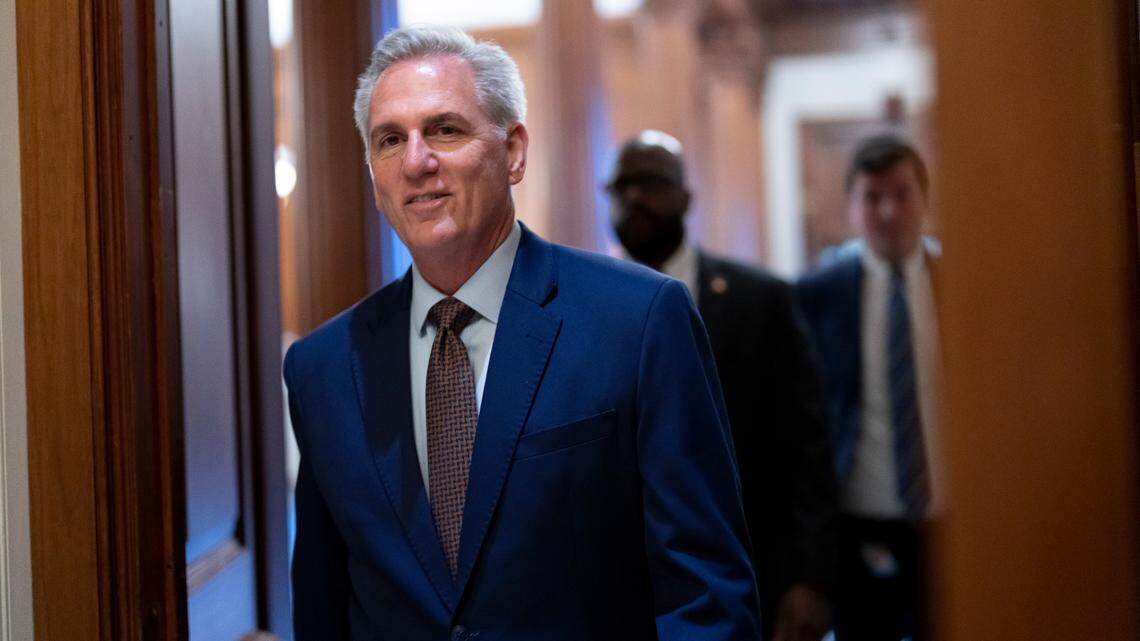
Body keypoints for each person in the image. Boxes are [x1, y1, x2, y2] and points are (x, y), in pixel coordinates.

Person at [284, 26, 762, 641]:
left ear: (512, 152)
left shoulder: (639, 321)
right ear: (375, 178)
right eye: (389, 140)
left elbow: (707, 596)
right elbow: (323, 609)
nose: (416, 161)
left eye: (445, 129)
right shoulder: (322, 368)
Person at [607, 131, 838, 641]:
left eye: (651, 182)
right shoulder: (585, 309)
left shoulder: (762, 301)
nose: (634, 198)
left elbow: (808, 449)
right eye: (621, 186)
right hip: (626, 590)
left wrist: (811, 577)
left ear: (687, 197)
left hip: (753, 576)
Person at [796, 134, 941, 641]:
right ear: (852, 208)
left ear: (925, 197)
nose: (887, 212)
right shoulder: (817, 295)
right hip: (860, 527)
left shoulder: (965, 285)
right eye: (872, 198)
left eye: (901, 194)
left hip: (955, 523)